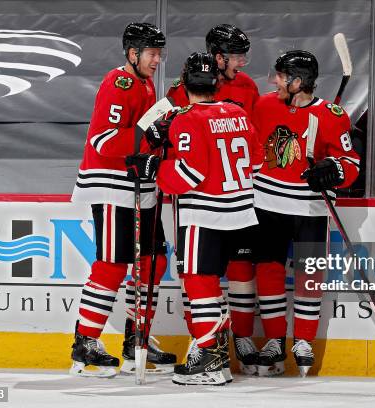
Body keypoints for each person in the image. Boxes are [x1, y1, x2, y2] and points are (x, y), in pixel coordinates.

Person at [127, 52, 262, 386]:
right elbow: (257, 163)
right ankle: (215, 352)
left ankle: (209, 358)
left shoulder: (186, 118)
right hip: (242, 212)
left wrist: (155, 167)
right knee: (214, 284)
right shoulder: (238, 113)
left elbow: (188, 174)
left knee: (199, 283)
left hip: (205, 215)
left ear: (184, 82)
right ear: (216, 83)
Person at [69, 22, 176, 378]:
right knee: (114, 264)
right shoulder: (120, 83)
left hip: (140, 188)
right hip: (114, 186)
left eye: (159, 53)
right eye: (152, 53)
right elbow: (104, 140)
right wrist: (148, 136)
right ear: (133, 53)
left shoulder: (144, 83)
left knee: (154, 261)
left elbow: (142, 134)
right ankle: (85, 342)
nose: (157, 59)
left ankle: (136, 339)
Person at [251, 50, 360, 377]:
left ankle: (303, 341)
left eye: (281, 76)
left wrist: (333, 169)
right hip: (266, 203)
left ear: (298, 82)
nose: (274, 81)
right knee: (268, 272)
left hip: (310, 208)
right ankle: (273, 341)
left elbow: (351, 163)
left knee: (309, 275)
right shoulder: (264, 105)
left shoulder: (332, 115)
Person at [167, 23, 261, 375]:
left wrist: (155, 166)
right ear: (218, 58)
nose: (241, 62)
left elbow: (187, 167)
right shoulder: (195, 96)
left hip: (211, 201)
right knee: (197, 277)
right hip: (229, 200)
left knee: (206, 275)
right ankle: (204, 343)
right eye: (236, 55)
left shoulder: (244, 89)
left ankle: (220, 345)